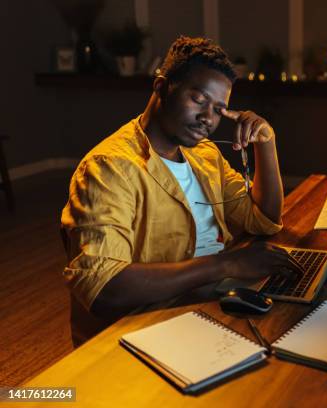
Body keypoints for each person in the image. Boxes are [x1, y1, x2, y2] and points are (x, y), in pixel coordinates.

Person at [61, 36, 301, 344]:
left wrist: (266, 142)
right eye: (199, 100)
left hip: (211, 301)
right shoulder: (109, 168)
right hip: (145, 326)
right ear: (161, 87)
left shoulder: (205, 154)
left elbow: (263, 220)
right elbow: (105, 287)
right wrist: (227, 264)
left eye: (219, 109)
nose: (208, 119)